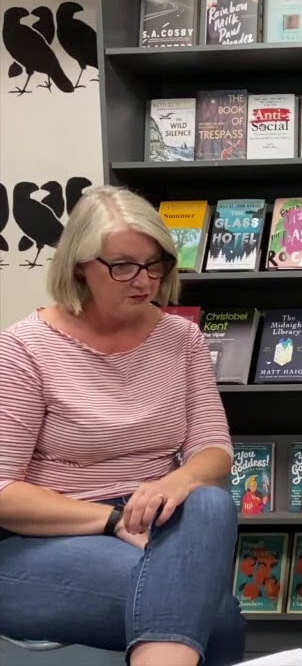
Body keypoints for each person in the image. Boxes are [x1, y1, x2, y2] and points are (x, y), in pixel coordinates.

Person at [0, 185, 245, 666]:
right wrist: (113, 521)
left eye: (155, 264)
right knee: (215, 617)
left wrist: (176, 481)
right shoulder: (24, 349)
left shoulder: (181, 339)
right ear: (79, 267)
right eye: (124, 266)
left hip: (157, 520)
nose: (145, 281)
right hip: (45, 536)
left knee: (211, 502)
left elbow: (214, 448)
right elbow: (3, 491)